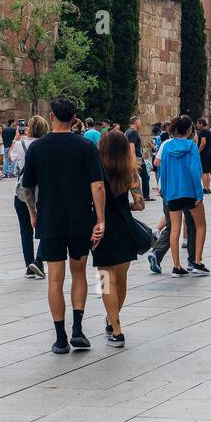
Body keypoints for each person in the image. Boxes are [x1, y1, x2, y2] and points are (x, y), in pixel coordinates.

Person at [19, 97, 106, 354]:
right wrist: (100, 219)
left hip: (50, 218)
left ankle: (60, 337)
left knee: (54, 279)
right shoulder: (86, 147)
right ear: (74, 117)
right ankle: (78, 329)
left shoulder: (38, 148)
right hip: (80, 218)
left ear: (52, 116)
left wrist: (33, 214)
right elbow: (97, 185)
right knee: (78, 273)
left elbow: (27, 188)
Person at [94, 129, 140, 346]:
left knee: (104, 280)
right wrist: (126, 206)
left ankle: (117, 328)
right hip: (124, 226)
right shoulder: (130, 172)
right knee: (121, 280)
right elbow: (139, 205)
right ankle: (113, 321)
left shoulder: (95, 170)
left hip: (100, 227)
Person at [156, 115, 207, 276]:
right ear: (189, 129)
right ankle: (197, 262)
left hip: (172, 192)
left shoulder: (167, 146)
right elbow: (195, 170)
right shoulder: (191, 146)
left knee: (174, 229)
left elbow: (162, 171)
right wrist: (199, 192)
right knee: (201, 225)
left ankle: (176, 266)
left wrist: (164, 191)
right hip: (190, 191)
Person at [8, 115, 49, 279]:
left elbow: (11, 158)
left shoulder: (20, 144)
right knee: (46, 229)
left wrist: (15, 139)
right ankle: (38, 260)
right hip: (43, 191)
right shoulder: (47, 145)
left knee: (25, 231)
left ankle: (29, 266)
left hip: (23, 191)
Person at [196, 118, 211, 194]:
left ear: (202, 124)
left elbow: (203, 143)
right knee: (207, 171)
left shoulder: (202, 131)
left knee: (203, 171)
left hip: (204, 153)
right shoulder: (208, 131)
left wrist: (197, 152)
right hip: (209, 152)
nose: (197, 124)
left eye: (198, 123)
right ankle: (208, 188)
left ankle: (205, 188)